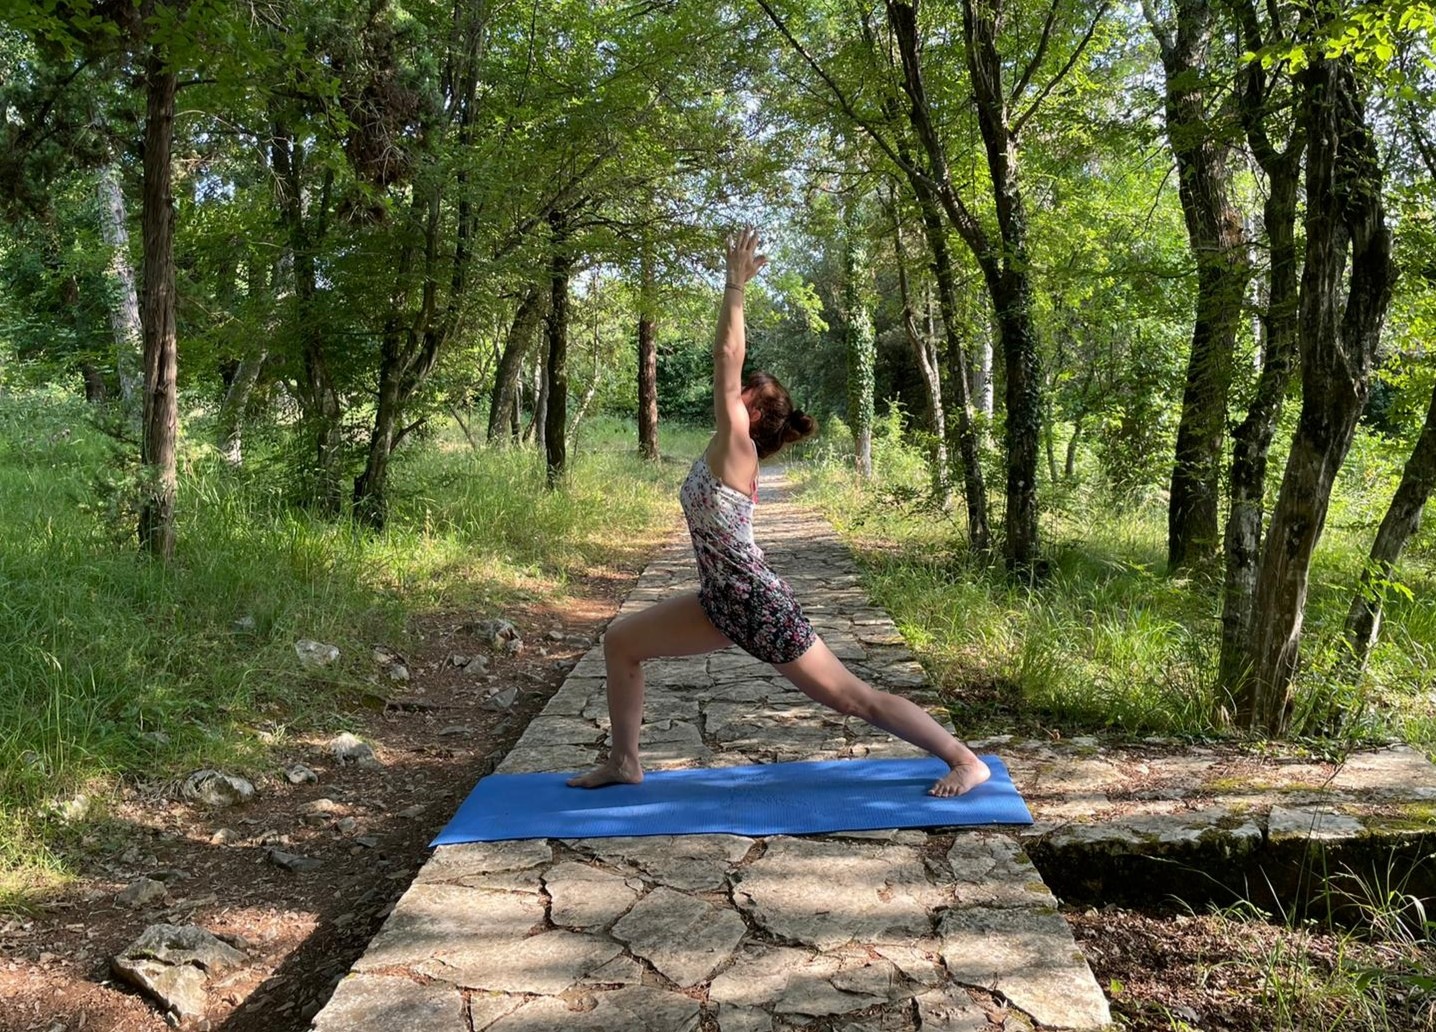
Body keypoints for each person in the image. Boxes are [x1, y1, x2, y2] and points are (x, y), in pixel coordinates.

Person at [568, 227, 990, 798]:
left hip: (756, 603)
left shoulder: (737, 448)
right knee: (621, 641)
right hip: (721, 600)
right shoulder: (725, 449)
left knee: (853, 698)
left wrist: (735, 284)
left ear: (754, 413)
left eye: (744, 390)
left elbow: (725, 356)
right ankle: (625, 761)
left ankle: (965, 759)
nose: (731, 390)